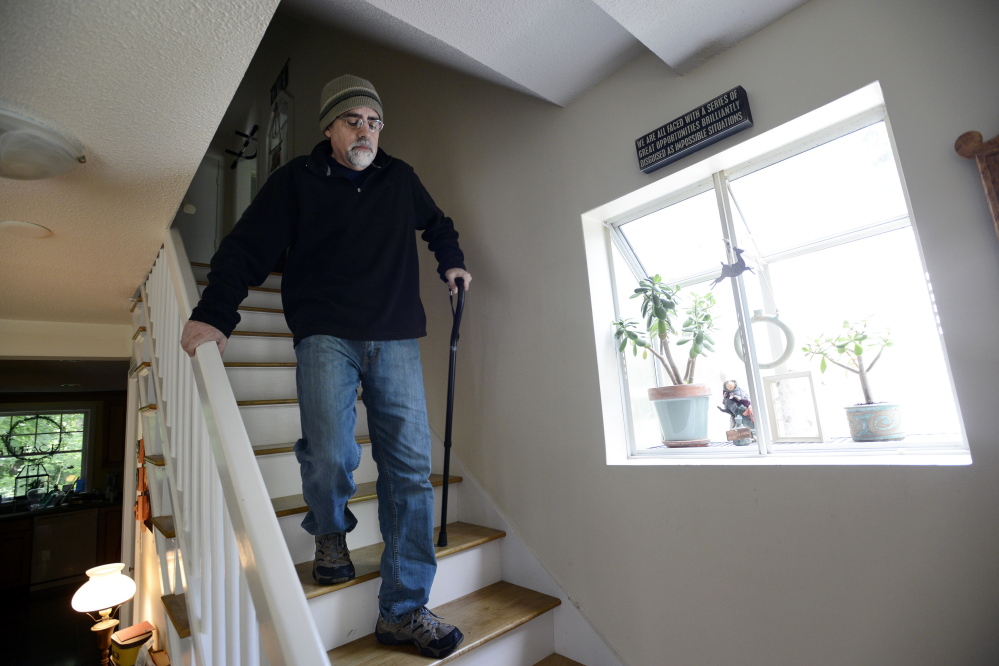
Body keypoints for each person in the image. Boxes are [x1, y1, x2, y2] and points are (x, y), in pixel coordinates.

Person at [180, 74, 471, 659]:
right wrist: (215, 312)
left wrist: (452, 262)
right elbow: (245, 247)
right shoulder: (296, 182)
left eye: (374, 121)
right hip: (324, 335)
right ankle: (331, 532)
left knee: (411, 470)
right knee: (331, 450)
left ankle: (404, 609)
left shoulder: (400, 178)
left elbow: (436, 224)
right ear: (329, 128)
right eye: (353, 120)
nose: (366, 131)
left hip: (395, 338)